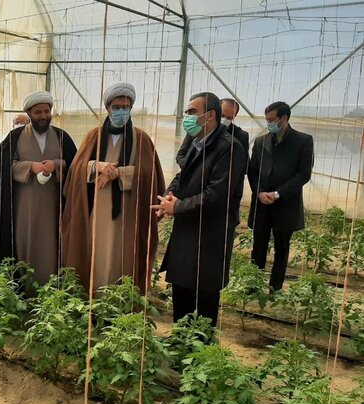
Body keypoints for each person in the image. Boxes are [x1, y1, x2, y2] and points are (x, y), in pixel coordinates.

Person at [62, 83, 165, 294]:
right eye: (116, 107)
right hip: (96, 209)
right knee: (96, 251)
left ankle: (120, 300)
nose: (121, 111)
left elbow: (149, 174)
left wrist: (119, 173)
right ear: (108, 108)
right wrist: (97, 166)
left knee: (122, 254)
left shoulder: (141, 138)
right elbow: (76, 169)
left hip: (127, 212)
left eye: (125, 107)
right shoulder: (94, 135)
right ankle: (94, 296)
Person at [154, 92, 246, 326]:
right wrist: (169, 197)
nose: (187, 117)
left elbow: (217, 195)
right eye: (187, 112)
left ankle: (200, 354)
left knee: (204, 298)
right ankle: (179, 348)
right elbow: (183, 175)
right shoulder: (196, 143)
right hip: (188, 229)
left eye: (192, 112)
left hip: (209, 235)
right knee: (182, 292)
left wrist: (179, 207)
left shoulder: (229, 148)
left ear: (210, 116)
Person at [0, 90, 77, 286]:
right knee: (24, 243)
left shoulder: (63, 137)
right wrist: (30, 166)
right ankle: (25, 286)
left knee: (51, 244)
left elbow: (74, 166)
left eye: (47, 111)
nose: (43, 116)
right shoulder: (15, 137)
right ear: (29, 113)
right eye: (38, 112)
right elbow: (4, 168)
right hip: (24, 207)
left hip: (54, 206)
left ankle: (51, 287)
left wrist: (57, 165)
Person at [248, 101, 314, 291]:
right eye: (267, 119)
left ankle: (274, 288)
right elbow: (253, 171)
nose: (269, 123)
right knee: (258, 244)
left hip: (285, 203)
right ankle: (253, 285)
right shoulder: (261, 142)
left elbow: (304, 174)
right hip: (262, 202)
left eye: (272, 119)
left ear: (284, 118)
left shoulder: (303, 141)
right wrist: (259, 192)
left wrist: (278, 193)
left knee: (282, 247)